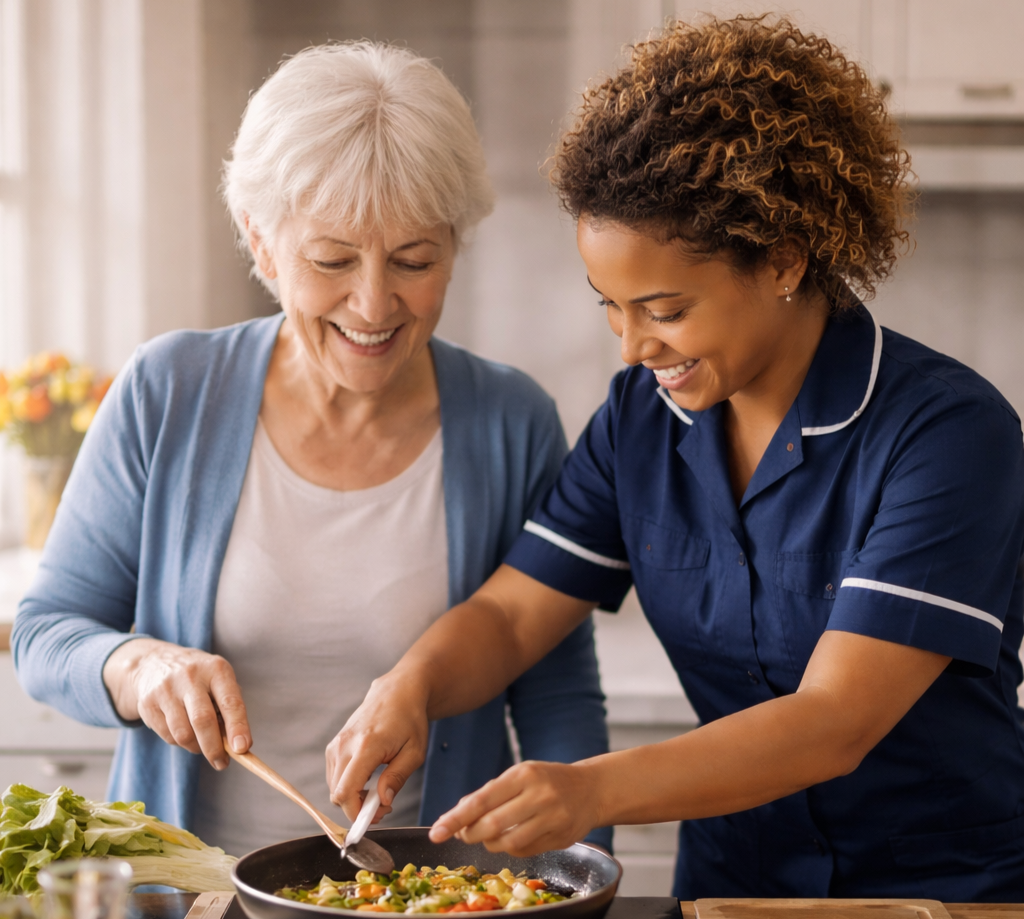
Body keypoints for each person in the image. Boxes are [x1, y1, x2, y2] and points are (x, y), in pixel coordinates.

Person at [328, 18, 1024, 902]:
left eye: (663, 308)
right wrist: (410, 686)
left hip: (946, 909)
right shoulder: (641, 419)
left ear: (781, 259)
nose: (631, 348)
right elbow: (512, 617)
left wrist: (589, 788)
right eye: (610, 307)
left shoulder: (947, 434)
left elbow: (833, 723)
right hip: (733, 897)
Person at [12, 42, 610, 858]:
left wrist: (587, 877)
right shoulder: (169, 390)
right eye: (331, 260)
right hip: (188, 910)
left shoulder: (512, 421)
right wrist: (135, 665)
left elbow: (556, 691)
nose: (373, 303)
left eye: (414, 260)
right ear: (262, 245)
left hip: (430, 907)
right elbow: (47, 634)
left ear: (455, 248)